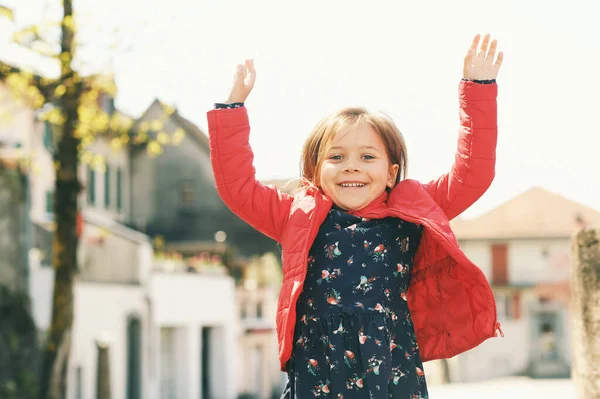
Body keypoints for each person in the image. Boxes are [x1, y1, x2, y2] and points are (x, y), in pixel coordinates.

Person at [207, 33, 504, 399]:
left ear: (392, 172)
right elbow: (238, 188)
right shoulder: (295, 214)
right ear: (316, 171)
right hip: (318, 374)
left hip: (391, 372)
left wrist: (478, 88)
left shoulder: (411, 209)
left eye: (367, 157)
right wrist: (230, 108)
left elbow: (472, 174)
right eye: (336, 157)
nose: (352, 168)